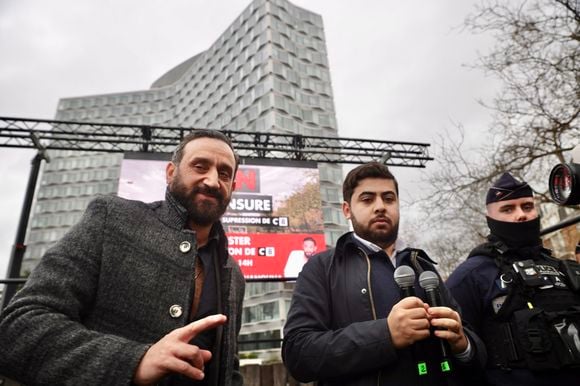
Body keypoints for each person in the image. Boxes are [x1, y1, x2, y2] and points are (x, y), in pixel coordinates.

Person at [0, 130, 245, 386]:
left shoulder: (234, 274)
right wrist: (135, 361)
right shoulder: (111, 219)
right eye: (199, 166)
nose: (213, 180)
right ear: (171, 173)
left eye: (225, 173)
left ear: (233, 188)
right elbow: (18, 329)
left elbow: (228, 367)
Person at [282, 162, 486, 385]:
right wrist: (386, 335)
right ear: (347, 210)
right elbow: (297, 353)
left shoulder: (423, 267)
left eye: (389, 199)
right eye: (367, 199)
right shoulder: (321, 268)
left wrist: (462, 344)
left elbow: (475, 352)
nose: (380, 206)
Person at [446, 172, 580, 386]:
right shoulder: (470, 276)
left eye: (527, 206)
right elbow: (455, 358)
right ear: (490, 219)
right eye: (508, 209)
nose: (521, 215)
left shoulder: (565, 269)